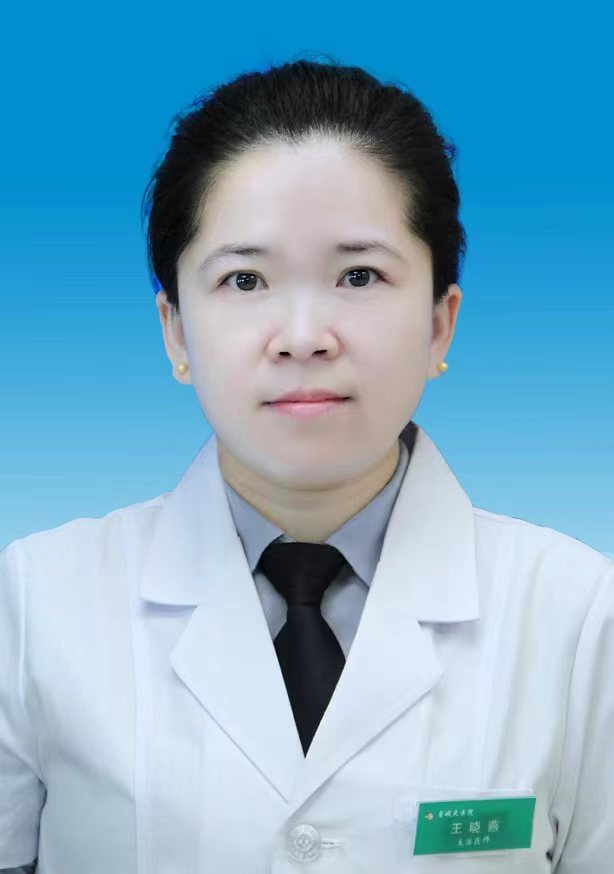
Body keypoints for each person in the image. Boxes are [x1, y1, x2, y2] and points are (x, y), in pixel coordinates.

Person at [0, 56, 612, 874]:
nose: (301, 337)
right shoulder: (33, 604)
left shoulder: (579, 615)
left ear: (440, 324)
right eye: (244, 279)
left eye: (359, 274)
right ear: (175, 330)